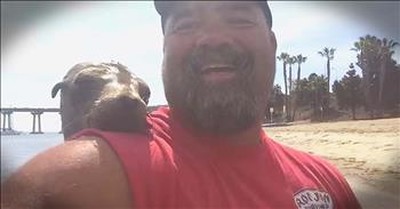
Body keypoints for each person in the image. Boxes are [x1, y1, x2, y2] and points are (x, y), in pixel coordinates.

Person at [2, 1, 361, 209]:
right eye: (186, 24)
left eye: (237, 17)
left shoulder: (326, 179)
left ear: (272, 43)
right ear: (163, 51)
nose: (212, 37)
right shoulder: (103, 164)